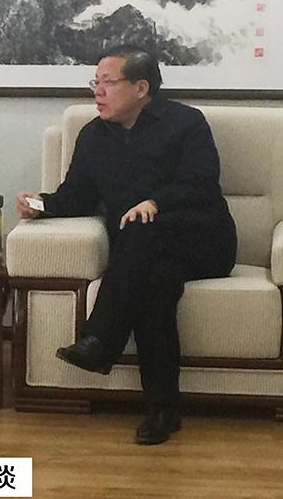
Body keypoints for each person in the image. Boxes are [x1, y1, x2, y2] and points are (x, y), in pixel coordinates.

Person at [16, 45, 237, 445]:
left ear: (141, 88)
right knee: (154, 287)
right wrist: (41, 205)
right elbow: (77, 196)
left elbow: (200, 183)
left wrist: (156, 202)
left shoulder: (186, 123)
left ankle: (101, 340)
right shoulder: (92, 136)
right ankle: (162, 411)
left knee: (140, 228)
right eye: (95, 82)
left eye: (108, 82)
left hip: (202, 241)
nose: (97, 91)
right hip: (141, 254)